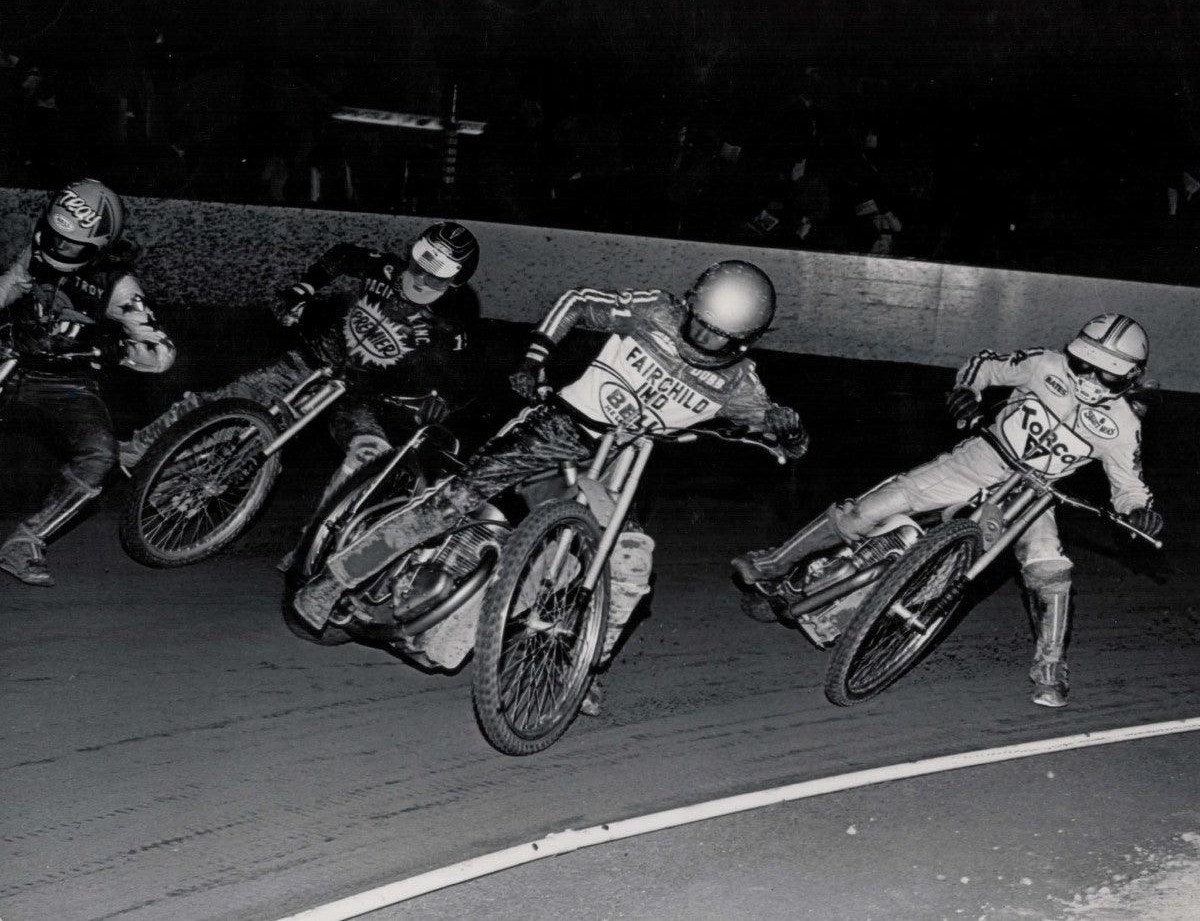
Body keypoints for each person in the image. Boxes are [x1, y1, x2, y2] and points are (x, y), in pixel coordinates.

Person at [292, 259, 809, 714]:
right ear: (690, 300)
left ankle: (582, 666)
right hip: (558, 430)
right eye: (697, 319)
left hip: (621, 466)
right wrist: (536, 357)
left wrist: (788, 429)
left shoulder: (739, 384)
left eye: (717, 335)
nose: (700, 336)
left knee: (630, 564)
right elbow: (579, 302)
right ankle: (336, 579)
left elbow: (785, 438)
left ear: (743, 341)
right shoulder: (653, 310)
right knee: (451, 503)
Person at [732, 314, 1163, 709]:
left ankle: (1050, 665)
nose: (1086, 376)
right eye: (1082, 362)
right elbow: (987, 364)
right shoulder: (1044, 364)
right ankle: (775, 563)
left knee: (1050, 567)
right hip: (981, 458)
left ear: (1129, 377)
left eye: (1103, 371)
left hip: (1035, 495)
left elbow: (1129, 487)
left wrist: (1139, 512)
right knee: (868, 510)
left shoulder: (1125, 426)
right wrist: (966, 390)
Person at [119, 221, 482, 510]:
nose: (420, 278)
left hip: (364, 396)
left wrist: (438, 398)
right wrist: (304, 289)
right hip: (313, 362)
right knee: (223, 403)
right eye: (419, 266)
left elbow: (459, 372)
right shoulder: (386, 268)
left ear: (456, 281)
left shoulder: (455, 315)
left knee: (370, 456)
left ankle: (317, 549)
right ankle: (135, 452)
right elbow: (341, 255)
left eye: (435, 275)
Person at [0, 178, 176, 585]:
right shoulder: (36, 250)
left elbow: (162, 353)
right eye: (55, 235)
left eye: (71, 244)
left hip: (67, 382)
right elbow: (8, 287)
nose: (58, 247)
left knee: (101, 454)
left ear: (101, 245)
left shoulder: (119, 286)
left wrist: (117, 351)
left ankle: (25, 541)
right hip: (13, 356)